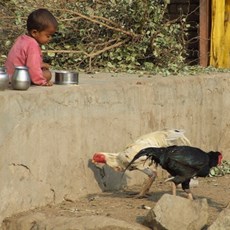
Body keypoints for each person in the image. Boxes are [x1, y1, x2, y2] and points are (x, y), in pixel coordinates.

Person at [5, 8, 58, 86]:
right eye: (48, 35)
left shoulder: (22, 38)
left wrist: (41, 64)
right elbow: (32, 67)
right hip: (18, 77)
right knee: (47, 74)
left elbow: (24, 61)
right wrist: (41, 81)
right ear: (34, 32)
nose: (50, 38)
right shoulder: (32, 44)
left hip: (8, 75)